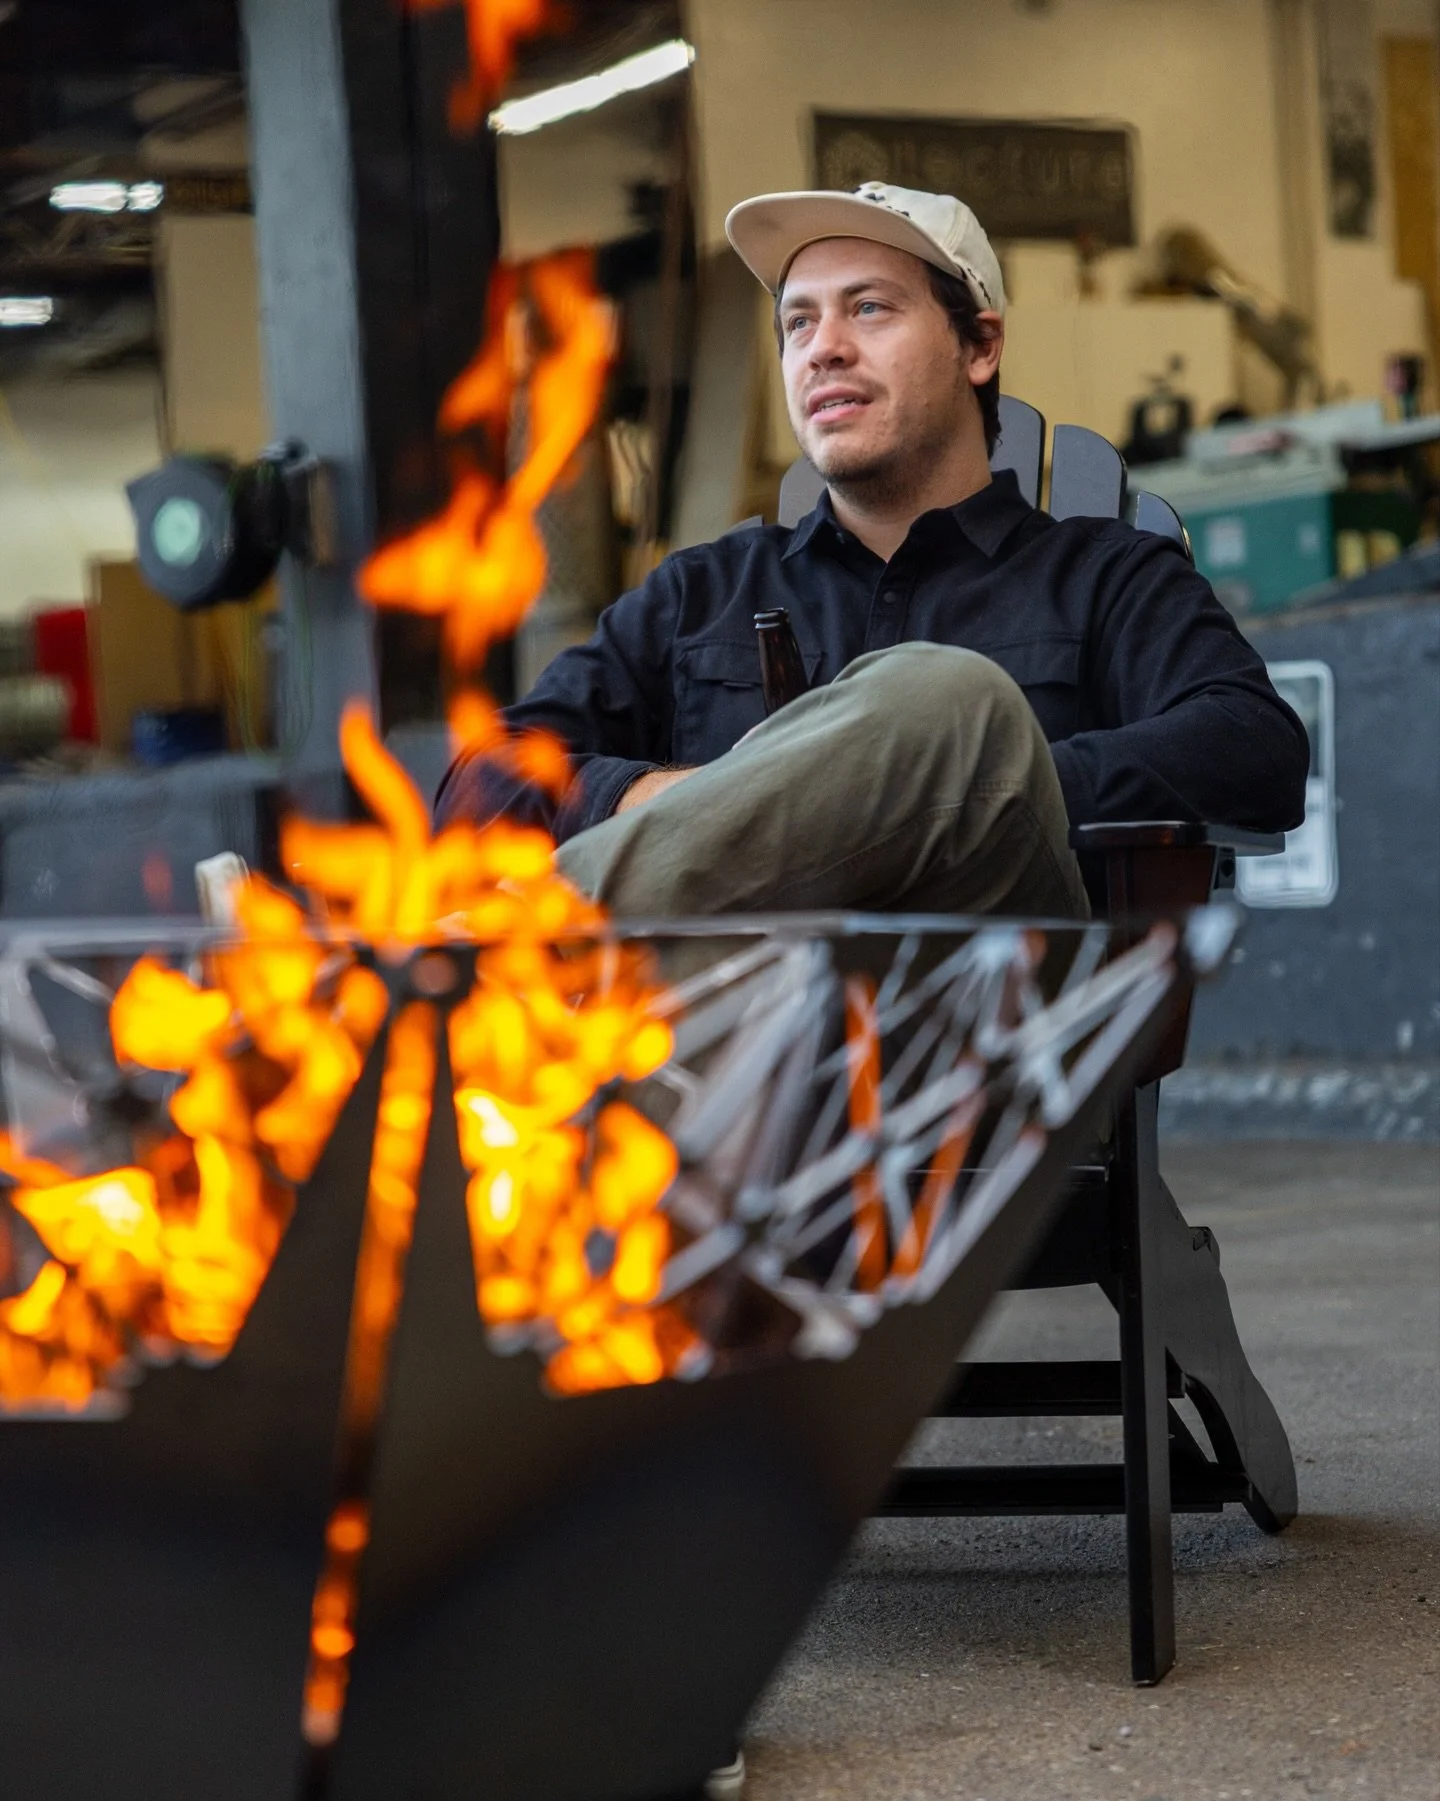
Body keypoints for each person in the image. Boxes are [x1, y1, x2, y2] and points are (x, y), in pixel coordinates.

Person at [438, 179, 1308, 925]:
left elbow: (1253, 750)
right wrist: (690, 801)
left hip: (988, 1049)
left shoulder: (1106, 578)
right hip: (719, 1055)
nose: (824, 347)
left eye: (869, 307)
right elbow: (479, 786)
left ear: (980, 345)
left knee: (949, 700)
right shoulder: (701, 593)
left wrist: (986, 784)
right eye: (798, 322)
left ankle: (491, 942)